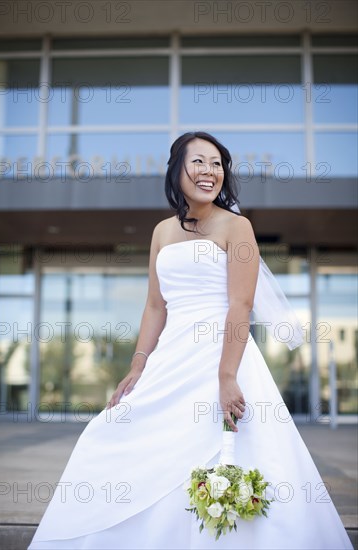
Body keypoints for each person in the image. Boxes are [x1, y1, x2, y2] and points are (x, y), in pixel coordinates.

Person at [28, 132, 353, 550]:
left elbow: (241, 304)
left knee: (233, 452)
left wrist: (226, 376)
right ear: (177, 169)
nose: (209, 171)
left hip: (223, 360)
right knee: (107, 433)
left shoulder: (238, 227)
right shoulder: (162, 232)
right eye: (198, 161)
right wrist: (138, 365)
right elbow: (154, 307)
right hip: (170, 359)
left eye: (217, 163)